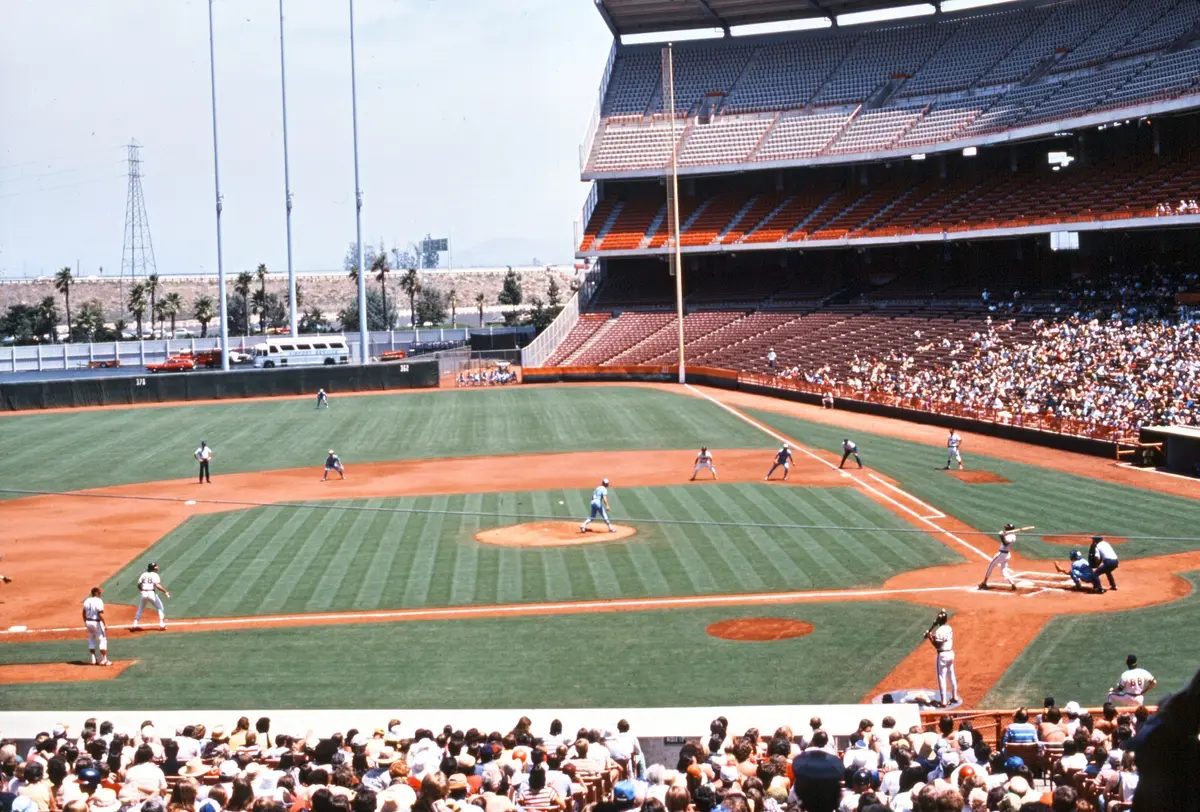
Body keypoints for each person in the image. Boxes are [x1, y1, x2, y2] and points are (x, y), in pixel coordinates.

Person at [979, 523, 1032, 591]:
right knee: (1003, 569)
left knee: (991, 566)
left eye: (1006, 527)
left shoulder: (1012, 537)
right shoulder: (1009, 534)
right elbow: (1005, 536)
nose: (1005, 528)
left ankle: (984, 583)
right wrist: (1003, 534)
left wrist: (1001, 536)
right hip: (1006, 555)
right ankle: (1012, 583)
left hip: (1001, 554)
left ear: (1009, 529)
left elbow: (1005, 543)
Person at [925, 611, 958, 707]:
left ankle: (943, 701)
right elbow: (943, 639)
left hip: (943, 656)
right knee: (951, 674)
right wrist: (932, 636)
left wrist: (930, 637)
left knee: (942, 677)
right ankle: (954, 697)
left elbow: (937, 645)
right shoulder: (949, 628)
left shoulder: (939, 631)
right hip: (951, 654)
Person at [132, 562, 170, 632]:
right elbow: (157, 586)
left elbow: (138, 584)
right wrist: (165, 592)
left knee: (140, 609)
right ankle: (162, 625)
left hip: (144, 593)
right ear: (153, 568)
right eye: (156, 566)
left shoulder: (144, 574)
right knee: (160, 607)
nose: (157, 567)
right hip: (151, 594)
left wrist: (141, 590)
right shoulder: (155, 575)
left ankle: (135, 624)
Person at [82, 587, 112, 667]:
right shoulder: (99, 601)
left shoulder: (87, 600)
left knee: (91, 639)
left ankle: (93, 659)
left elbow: (83, 612)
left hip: (88, 622)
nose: (100, 594)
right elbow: (100, 614)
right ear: (95, 593)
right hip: (96, 623)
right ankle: (104, 660)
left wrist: (85, 622)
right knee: (102, 640)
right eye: (99, 592)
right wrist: (105, 624)